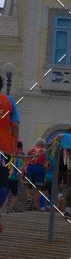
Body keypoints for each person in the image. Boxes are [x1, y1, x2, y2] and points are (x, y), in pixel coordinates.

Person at [0, 75, 20, 232]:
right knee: (2, 184)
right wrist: (14, 148)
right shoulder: (9, 101)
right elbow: (15, 126)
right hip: (4, 147)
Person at [25, 139, 47, 211]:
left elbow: (26, 159)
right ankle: (35, 205)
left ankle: (29, 197)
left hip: (31, 168)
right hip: (40, 169)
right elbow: (46, 162)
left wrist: (25, 168)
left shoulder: (31, 150)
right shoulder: (44, 151)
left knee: (29, 185)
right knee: (38, 188)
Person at [5, 140, 24, 214]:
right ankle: (9, 209)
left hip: (6, 177)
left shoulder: (10, 154)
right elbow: (20, 169)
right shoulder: (19, 157)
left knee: (5, 192)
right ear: (21, 148)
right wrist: (21, 179)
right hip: (14, 179)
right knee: (15, 195)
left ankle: (4, 208)